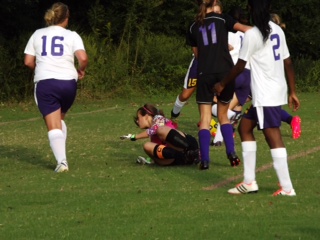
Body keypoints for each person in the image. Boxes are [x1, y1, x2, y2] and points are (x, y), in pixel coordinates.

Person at [214, 0, 300, 196]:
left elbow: (239, 66)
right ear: (269, 10)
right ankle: (249, 181)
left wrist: (222, 84)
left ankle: (287, 188)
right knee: (245, 127)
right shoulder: (277, 29)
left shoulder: (253, 34)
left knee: (273, 136)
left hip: (265, 94)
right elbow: (288, 62)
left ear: (251, 10)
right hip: (275, 89)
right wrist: (292, 91)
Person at [24, 2, 88, 172]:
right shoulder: (72, 35)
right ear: (66, 18)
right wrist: (81, 71)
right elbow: (83, 58)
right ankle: (62, 158)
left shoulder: (37, 34)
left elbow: (28, 61)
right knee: (59, 120)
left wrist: (39, 68)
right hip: (68, 84)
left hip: (47, 83)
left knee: (54, 126)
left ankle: (62, 163)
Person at [187, 0, 251, 170]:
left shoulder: (193, 27)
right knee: (223, 115)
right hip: (225, 74)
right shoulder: (223, 19)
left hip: (205, 73)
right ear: (215, 5)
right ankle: (231, 152)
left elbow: (197, 55)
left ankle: (205, 160)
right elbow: (246, 29)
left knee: (205, 119)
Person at [120, 104, 199, 166]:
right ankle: (185, 158)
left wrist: (134, 137)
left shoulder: (158, 119)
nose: (137, 121)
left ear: (146, 116)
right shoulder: (153, 136)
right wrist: (148, 160)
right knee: (147, 146)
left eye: (138, 117)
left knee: (160, 130)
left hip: (189, 144)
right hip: (179, 157)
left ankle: (194, 152)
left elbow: (155, 129)